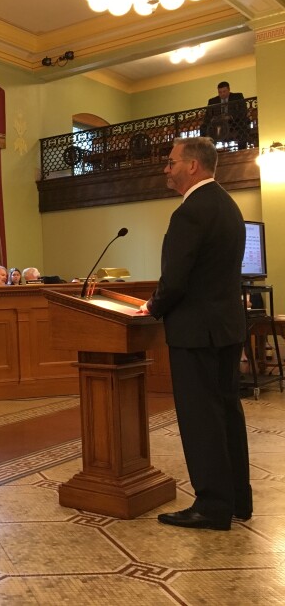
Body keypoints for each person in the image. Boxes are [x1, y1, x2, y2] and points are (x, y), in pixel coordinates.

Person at [138, 136, 250, 531]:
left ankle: (212, 506)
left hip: (196, 332)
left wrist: (152, 306)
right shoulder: (228, 206)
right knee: (226, 413)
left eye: (171, 163)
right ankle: (237, 498)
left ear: (193, 166)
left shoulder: (190, 212)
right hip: (226, 327)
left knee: (201, 419)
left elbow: (177, 279)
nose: (166, 169)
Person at [200, 81, 247, 149]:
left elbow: (243, 110)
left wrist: (230, 116)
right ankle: (206, 149)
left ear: (229, 90)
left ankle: (242, 149)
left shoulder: (237, 97)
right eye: (220, 92)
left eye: (224, 91)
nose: (222, 94)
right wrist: (215, 119)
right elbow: (208, 116)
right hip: (217, 124)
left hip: (233, 123)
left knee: (244, 123)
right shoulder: (212, 101)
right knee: (203, 127)